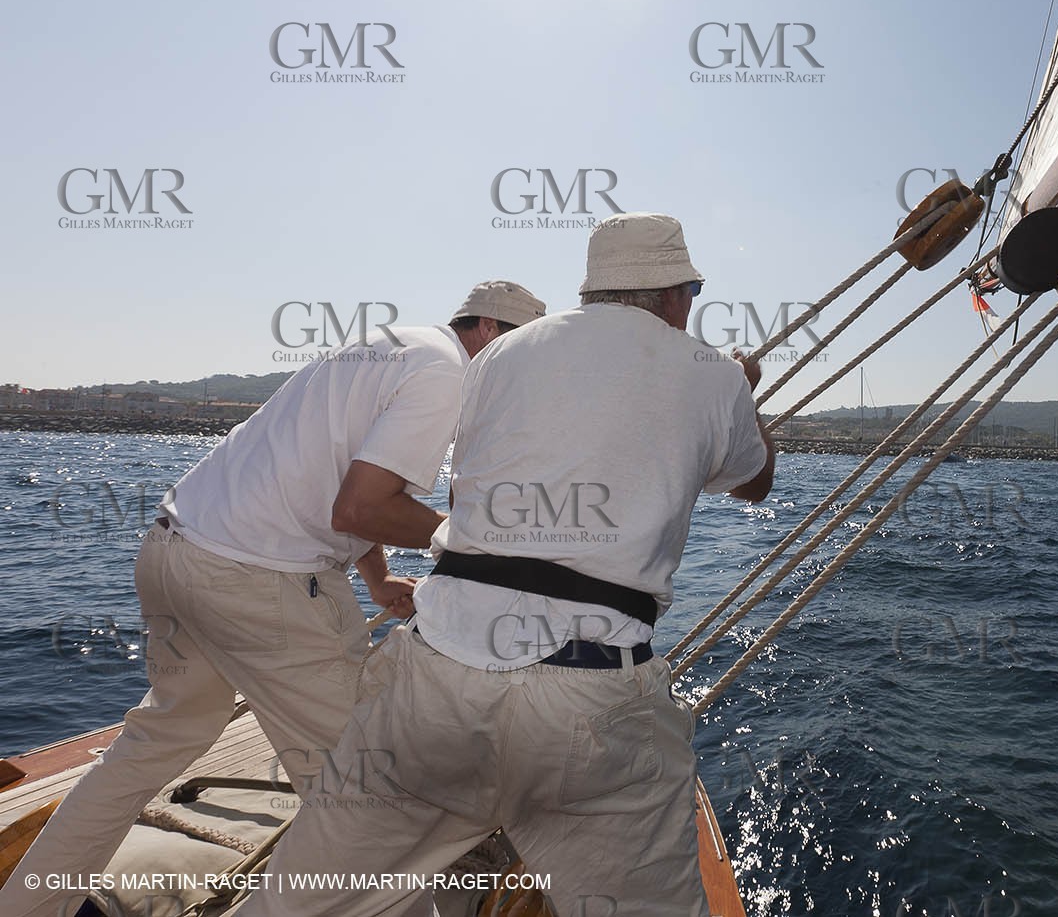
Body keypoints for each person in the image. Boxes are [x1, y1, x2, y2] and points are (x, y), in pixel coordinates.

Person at [234, 213, 775, 917]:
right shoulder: (711, 372)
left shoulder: (496, 358)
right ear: (675, 294)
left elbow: (466, 497)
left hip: (437, 683)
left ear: (596, 289)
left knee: (296, 904)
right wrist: (743, 390)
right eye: (692, 291)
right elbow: (755, 481)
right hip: (591, 702)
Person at [0, 281, 547, 917]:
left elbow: (339, 483)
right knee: (367, 797)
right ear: (486, 331)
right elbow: (361, 504)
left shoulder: (386, 348)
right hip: (257, 581)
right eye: (517, 353)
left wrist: (374, 579)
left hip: (175, 551)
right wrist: (477, 545)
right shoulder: (449, 373)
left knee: (151, 746)